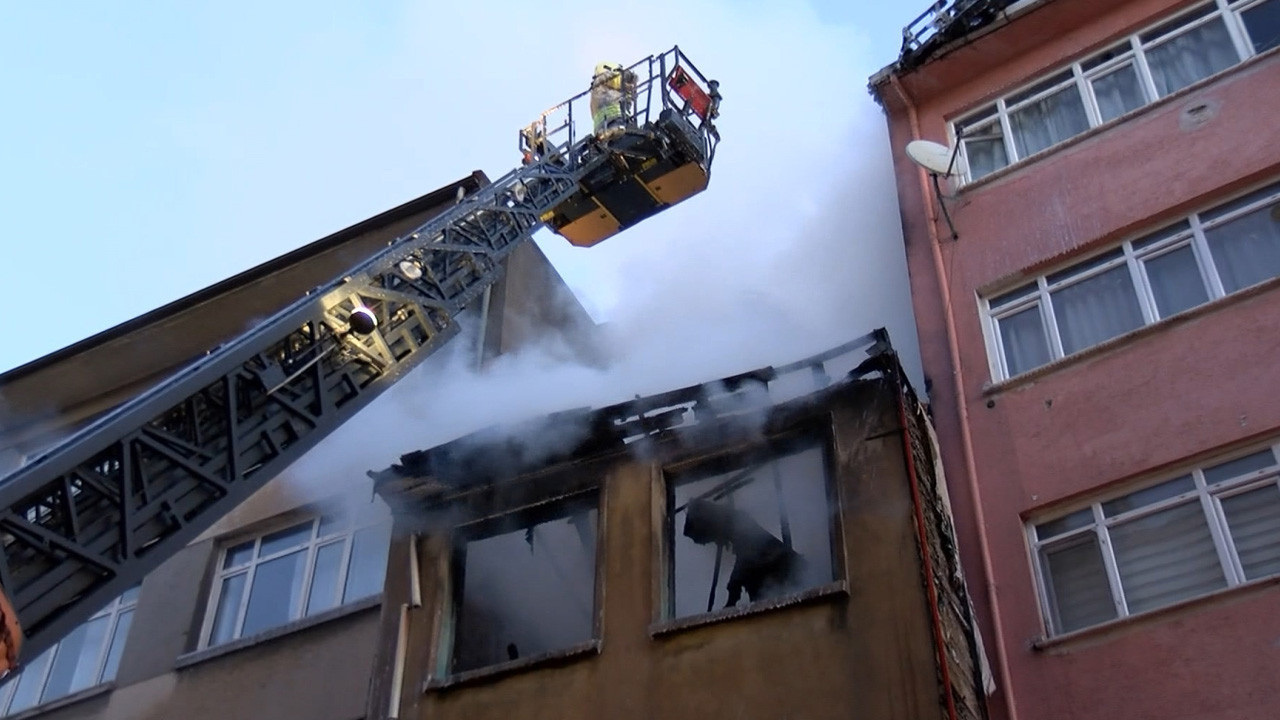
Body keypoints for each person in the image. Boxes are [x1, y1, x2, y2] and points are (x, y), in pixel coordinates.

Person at [683, 498, 806, 608]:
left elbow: (746, 558)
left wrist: (733, 588)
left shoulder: (737, 523)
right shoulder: (734, 525)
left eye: (703, 538)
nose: (706, 543)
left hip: (785, 574)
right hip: (777, 578)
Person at [589, 61, 634, 138]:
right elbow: (618, 80)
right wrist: (626, 76)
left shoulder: (595, 91)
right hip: (614, 119)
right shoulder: (602, 80)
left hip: (600, 127)